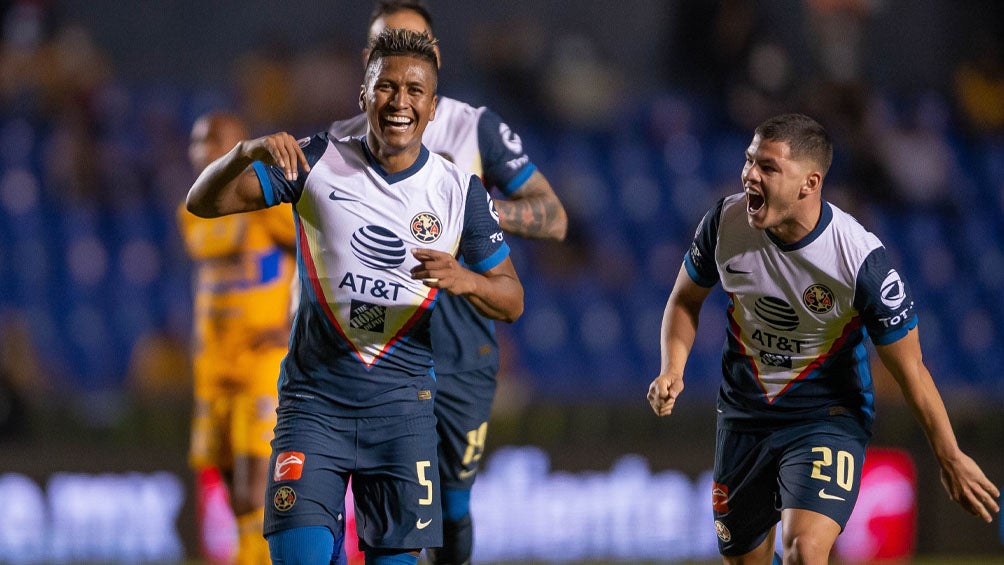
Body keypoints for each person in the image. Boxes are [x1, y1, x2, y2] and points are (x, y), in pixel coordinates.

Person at [186, 29, 524, 565]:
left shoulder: (459, 192)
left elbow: (511, 299)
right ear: (363, 95)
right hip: (313, 407)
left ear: (433, 107)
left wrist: (467, 279)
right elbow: (203, 202)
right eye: (386, 86)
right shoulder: (316, 161)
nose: (399, 101)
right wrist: (243, 152)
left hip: (402, 416)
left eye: (415, 90)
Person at [646, 113, 1000, 564]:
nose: (750, 174)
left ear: (809, 183)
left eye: (768, 167)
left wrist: (949, 455)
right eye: (750, 160)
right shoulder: (724, 223)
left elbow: (911, 369)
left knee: (804, 549)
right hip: (744, 413)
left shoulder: (859, 260)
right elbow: (684, 300)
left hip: (826, 413)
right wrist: (672, 368)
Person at [329, 4, 567, 563]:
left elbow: (553, 217)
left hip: (460, 354)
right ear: (367, 60)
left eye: (415, 42)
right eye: (385, 44)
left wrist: (472, 214)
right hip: (378, 357)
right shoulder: (340, 143)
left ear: (435, 56)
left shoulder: (472, 126)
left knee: (452, 505)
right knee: (368, 503)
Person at [178, 111, 298, 565]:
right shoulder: (191, 210)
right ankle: (251, 555)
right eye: (198, 141)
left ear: (240, 147)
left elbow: (316, 249)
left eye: (215, 141)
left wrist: (294, 321)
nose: (203, 151)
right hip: (214, 366)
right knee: (233, 491)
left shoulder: (266, 204)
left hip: (262, 359)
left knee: (254, 488)